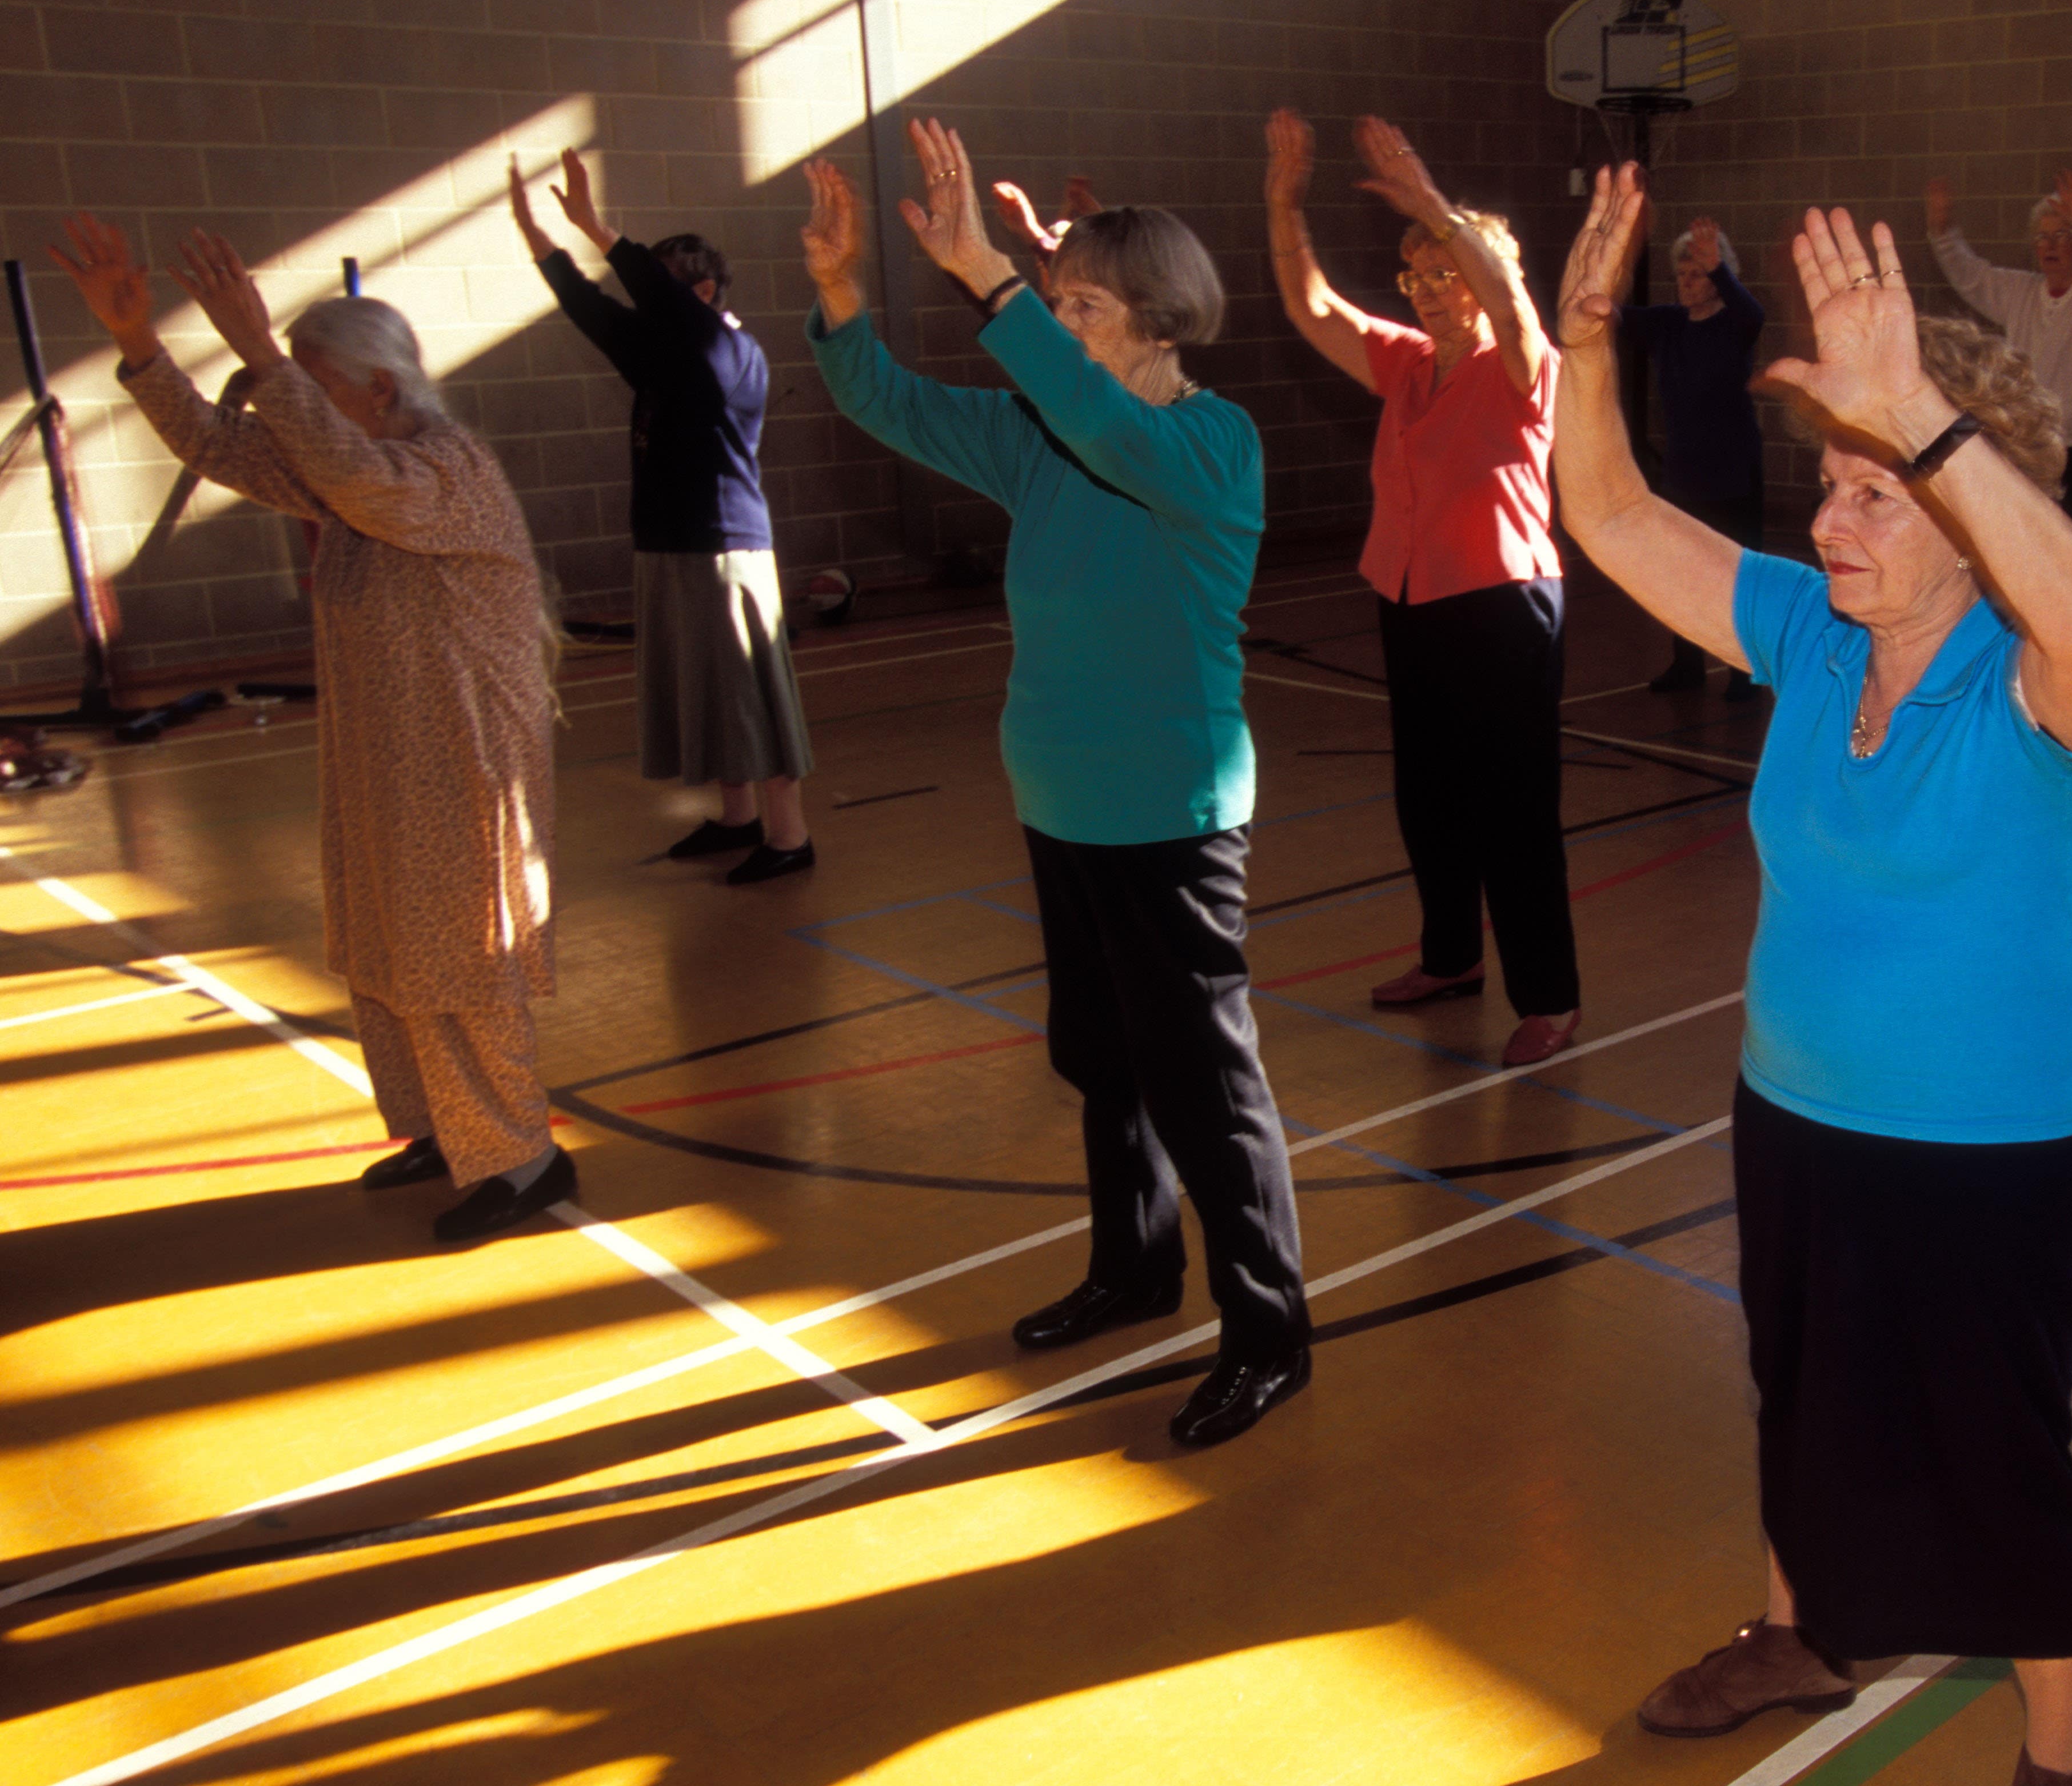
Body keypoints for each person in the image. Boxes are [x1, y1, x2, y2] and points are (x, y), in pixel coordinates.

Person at [1553, 168, 2072, 1786]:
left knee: (1992, 1445)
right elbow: (1601, 509)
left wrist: (1922, 421)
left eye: (1875, 491)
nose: (1833, 520)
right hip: (1799, 1102)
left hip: (2000, 1133)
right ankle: (1803, 1631)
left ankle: (2060, 1762)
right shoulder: (1806, 631)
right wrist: (1583, 334)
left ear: (1973, 511)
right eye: (1830, 480)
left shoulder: (2035, 672)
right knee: (1801, 1393)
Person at [798, 119, 1312, 1448]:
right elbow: (891, 403)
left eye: (1078, 301)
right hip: (1061, 800)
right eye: (1057, 298)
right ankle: (1132, 1265)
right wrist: (844, 300)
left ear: (1153, 320)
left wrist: (992, 280)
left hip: (1166, 808)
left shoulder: (1209, 447)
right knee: (1101, 1058)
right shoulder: (1044, 435)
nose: (1054, 320)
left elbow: (1098, 424)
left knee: (1203, 1079)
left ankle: (1267, 1329)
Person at [51, 217, 572, 1244]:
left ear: (381, 391)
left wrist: (254, 353)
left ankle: (523, 1157)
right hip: (387, 759)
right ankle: (441, 1127)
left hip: (465, 768)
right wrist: (141, 347)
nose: (293, 402)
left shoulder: (443, 470)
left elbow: (360, 479)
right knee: (384, 941)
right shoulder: (346, 477)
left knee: (465, 953)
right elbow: (218, 446)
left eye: (314, 382)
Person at [1263, 109, 1584, 1068]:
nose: (1432, 291)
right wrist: (1284, 202)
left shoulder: (1523, 367)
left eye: (1447, 271)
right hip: (1408, 597)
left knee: (1513, 812)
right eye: (1418, 275)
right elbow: (1311, 306)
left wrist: (1439, 209)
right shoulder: (1404, 362)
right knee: (1429, 798)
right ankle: (1450, 959)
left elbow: (1515, 306)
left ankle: (1550, 996)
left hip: (1502, 607)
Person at [511, 149, 816, 884]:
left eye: (666, 291)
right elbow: (589, 306)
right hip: (668, 543)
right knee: (705, 689)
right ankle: (738, 818)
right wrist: (538, 237)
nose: (649, 304)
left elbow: (652, 295)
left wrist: (594, 226)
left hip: (724, 545)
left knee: (750, 692)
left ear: (703, 291)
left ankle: (789, 835)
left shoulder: (729, 351)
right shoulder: (660, 355)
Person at [1925, 169, 2072, 550]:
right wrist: (1943, 231)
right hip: (2026, 443)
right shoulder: (2020, 291)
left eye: (2061, 236)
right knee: (2022, 545)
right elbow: (1970, 275)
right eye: (2042, 237)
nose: (2050, 245)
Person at [1620, 216, 1766, 698]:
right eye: (1681, 275)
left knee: (1736, 578)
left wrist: (1720, 269)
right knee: (1681, 574)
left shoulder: (1734, 325)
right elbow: (1612, 313)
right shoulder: (1668, 325)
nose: (1686, 283)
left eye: (1697, 274)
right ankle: (1686, 664)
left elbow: (1754, 315)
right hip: (1683, 475)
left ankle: (1744, 672)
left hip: (1733, 473)